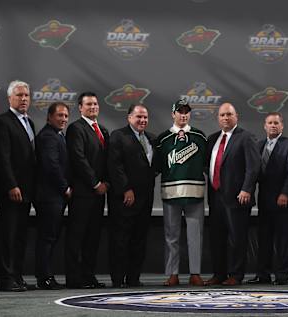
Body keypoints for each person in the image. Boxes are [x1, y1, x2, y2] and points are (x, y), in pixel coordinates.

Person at [205, 102, 260, 286]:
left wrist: (246, 189)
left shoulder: (246, 137)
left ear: (236, 116)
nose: (225, 118)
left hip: (237, 197)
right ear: (218, 118)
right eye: (222, 115)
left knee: (237, 239)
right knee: (217, 238)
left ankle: (236, 275)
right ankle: (219, 274)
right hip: (216, 196)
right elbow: (209, 166)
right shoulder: (212, 139)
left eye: (229, 114)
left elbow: (253, 167)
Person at [156, 99, 207, 287]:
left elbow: (205, 164)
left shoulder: (200, 137)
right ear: (173, 114)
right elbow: (158, 167)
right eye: (180, 111)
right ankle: (172, 274)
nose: (183, 114)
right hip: (171, 195)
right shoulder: (163, 140)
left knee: (195, 236)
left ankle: (195, 273)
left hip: (195, 194)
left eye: (186, 111)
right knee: (171, 236)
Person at [0, 80, 36, 292]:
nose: (24, 99)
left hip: (26, 191)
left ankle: (17, 276)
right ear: (10, 98)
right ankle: (6, 279)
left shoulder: (29, 122)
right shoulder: (2, 122)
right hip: (11, 191)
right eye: (19, 95)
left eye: (26, 95)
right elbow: (3, 157)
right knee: (7, 236)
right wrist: (11, 185)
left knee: (19, 237)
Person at [107, 104, 156, 288]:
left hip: (145, 199)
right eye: (138, 117)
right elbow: (115, 165)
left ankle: (133, 278)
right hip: (125, 199)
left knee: (139, 240)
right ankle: (118, 279)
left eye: (145, 117)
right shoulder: (118, 136)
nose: (142, 120)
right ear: (129, 118)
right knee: (120, 240)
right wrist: (126, 189)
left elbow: (153, 167)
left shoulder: (151, 138)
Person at [247, 112, 288, 286]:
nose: (273, 125)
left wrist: (285, 193)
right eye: (270, 122)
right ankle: (263, 274)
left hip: (283, 200)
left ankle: (282, 275)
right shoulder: (259, 145)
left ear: (282, 126)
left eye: (276, 122)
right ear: (265, 126)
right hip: (264, 200)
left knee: (283, 239)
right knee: (264, 239)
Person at [65, 92, 108, 289]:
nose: (93, 107)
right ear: (80, 108)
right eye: (89, 104)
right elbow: (78, 159)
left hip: (99, 195)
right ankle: (74, 278)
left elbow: (107, 161)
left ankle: (89, 275)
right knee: (77, 237)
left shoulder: (103, 131)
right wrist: (95, 183)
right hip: (83, 193)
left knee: (93, 238)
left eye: (95, 104)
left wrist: (106, 183)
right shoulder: (76, 128)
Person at [34, 102, 71, 290]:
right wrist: (65, 188)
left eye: (66, 116)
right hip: (49, 196)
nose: (63, 119)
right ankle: (45, 277)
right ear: (49, 117)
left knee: (50, 237)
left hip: (54, 196)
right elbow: (51, 165)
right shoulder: (48, 136)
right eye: (59, 115)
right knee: (47, 237)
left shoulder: (58, 135)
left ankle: (45, 275)